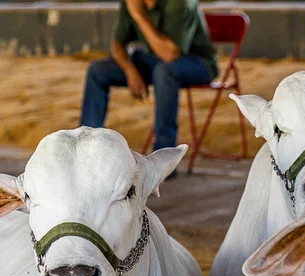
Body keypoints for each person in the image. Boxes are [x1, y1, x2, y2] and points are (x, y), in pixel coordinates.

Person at [80, 0, 219, 179]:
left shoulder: (180, 3)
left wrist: (139, 15)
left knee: (164, 72)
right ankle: (86, 151)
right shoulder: (131, 2)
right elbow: (118, 44)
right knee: (98, 70)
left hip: (197, 63)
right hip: (156, 60)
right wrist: (131, 71)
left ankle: (163, 161)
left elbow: (170, 54)